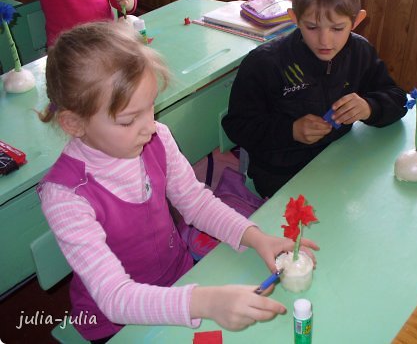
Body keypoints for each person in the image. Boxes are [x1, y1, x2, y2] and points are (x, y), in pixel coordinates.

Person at [38, 22, 319, 343]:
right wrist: (207, 301)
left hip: (181, 278)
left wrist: (254, 237)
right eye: (130, 120)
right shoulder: (65, 196)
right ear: (73, 123)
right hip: (115, 324)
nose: (150, 127)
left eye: (151, 109)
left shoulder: (155, 138)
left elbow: (196, 203)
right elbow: (116, 299)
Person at [222, 0, 408, 198]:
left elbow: (398, 98)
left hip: (341, 160)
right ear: (294, 18)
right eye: (312, 27)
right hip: (283, 175)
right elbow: (237, 125)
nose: (325, 41)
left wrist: (368, 107)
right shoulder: (265, 63)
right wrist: (291, 131)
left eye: (338, 28)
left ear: (357, 20)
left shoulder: (360, 52)